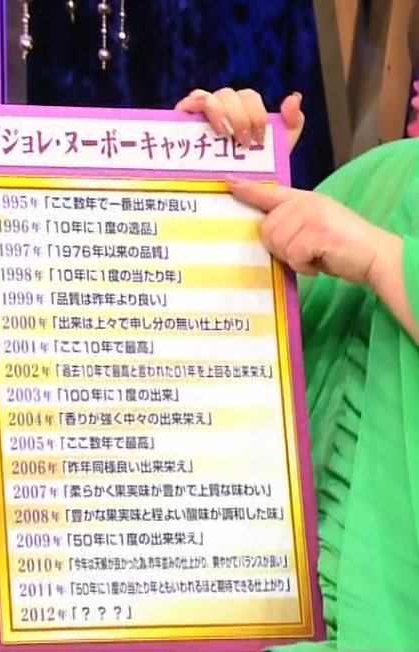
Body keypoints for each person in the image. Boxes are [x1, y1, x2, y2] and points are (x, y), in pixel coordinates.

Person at [174, 11, 419, 651]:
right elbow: (188, 376)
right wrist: (202, 191)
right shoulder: (381, 185)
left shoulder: (369, 233)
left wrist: (385, 261)